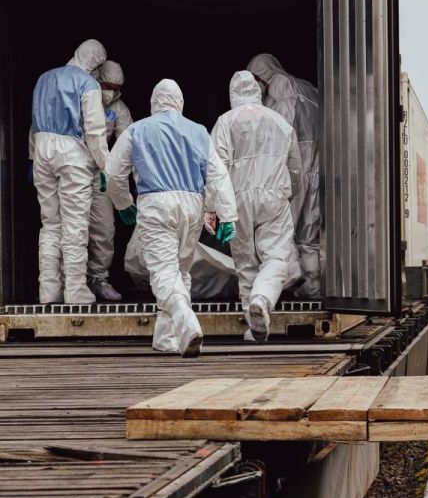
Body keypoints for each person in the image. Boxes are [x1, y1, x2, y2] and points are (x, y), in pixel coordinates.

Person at [105, 79, 237, 357]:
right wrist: (226, 215)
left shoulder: (136, 130)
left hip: (156, 205)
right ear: (180, 102)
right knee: (179, 272)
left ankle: (187, 321)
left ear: (154, 102)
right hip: (191, 205)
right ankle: (167, 339)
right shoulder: (198, 131)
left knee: (163, 272)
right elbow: (218, 176)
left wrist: (123, 203)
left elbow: (114, 171)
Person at [211, 71, 302, 342]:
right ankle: (262, 299)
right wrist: (291, 193)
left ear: (232, 94)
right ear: (257, 91)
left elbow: (215, 169)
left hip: (237, 199)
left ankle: (254, 325)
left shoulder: (225, 121)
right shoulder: (279, 121)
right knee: (276, 257)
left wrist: (212, 207)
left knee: (245, 263)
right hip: (274, 197)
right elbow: (295, 167)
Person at [30, 39, 110, 304]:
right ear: (95, 63)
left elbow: (33, 123)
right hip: (72, 153)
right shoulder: (88, 84)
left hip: (42, 150)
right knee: (75, 223)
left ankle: (49, 291)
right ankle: (76, 290)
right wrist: (106, 166)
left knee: (50, 223)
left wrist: (32, 156)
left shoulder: (43, 78)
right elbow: (95, 131)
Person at [247, 54, 321, 298]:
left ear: (264, 75)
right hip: (317, 161)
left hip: (297, 160)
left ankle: (290, 272)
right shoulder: (306, 87)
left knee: (284, 222)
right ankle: (312, 287)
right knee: (309, 228)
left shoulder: (280, 84)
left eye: (256, 79)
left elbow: (280, 126)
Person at [87, 60, 133, 301]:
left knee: (104, 228)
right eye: (107, 86)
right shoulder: (81, 97)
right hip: (73, 166)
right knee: (72, 227)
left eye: (116, 88)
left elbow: (129, 140)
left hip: (100, 171)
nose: (111, 92)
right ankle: (70, 280)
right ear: (97, 79)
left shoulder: (119, 107)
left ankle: (98, 278)